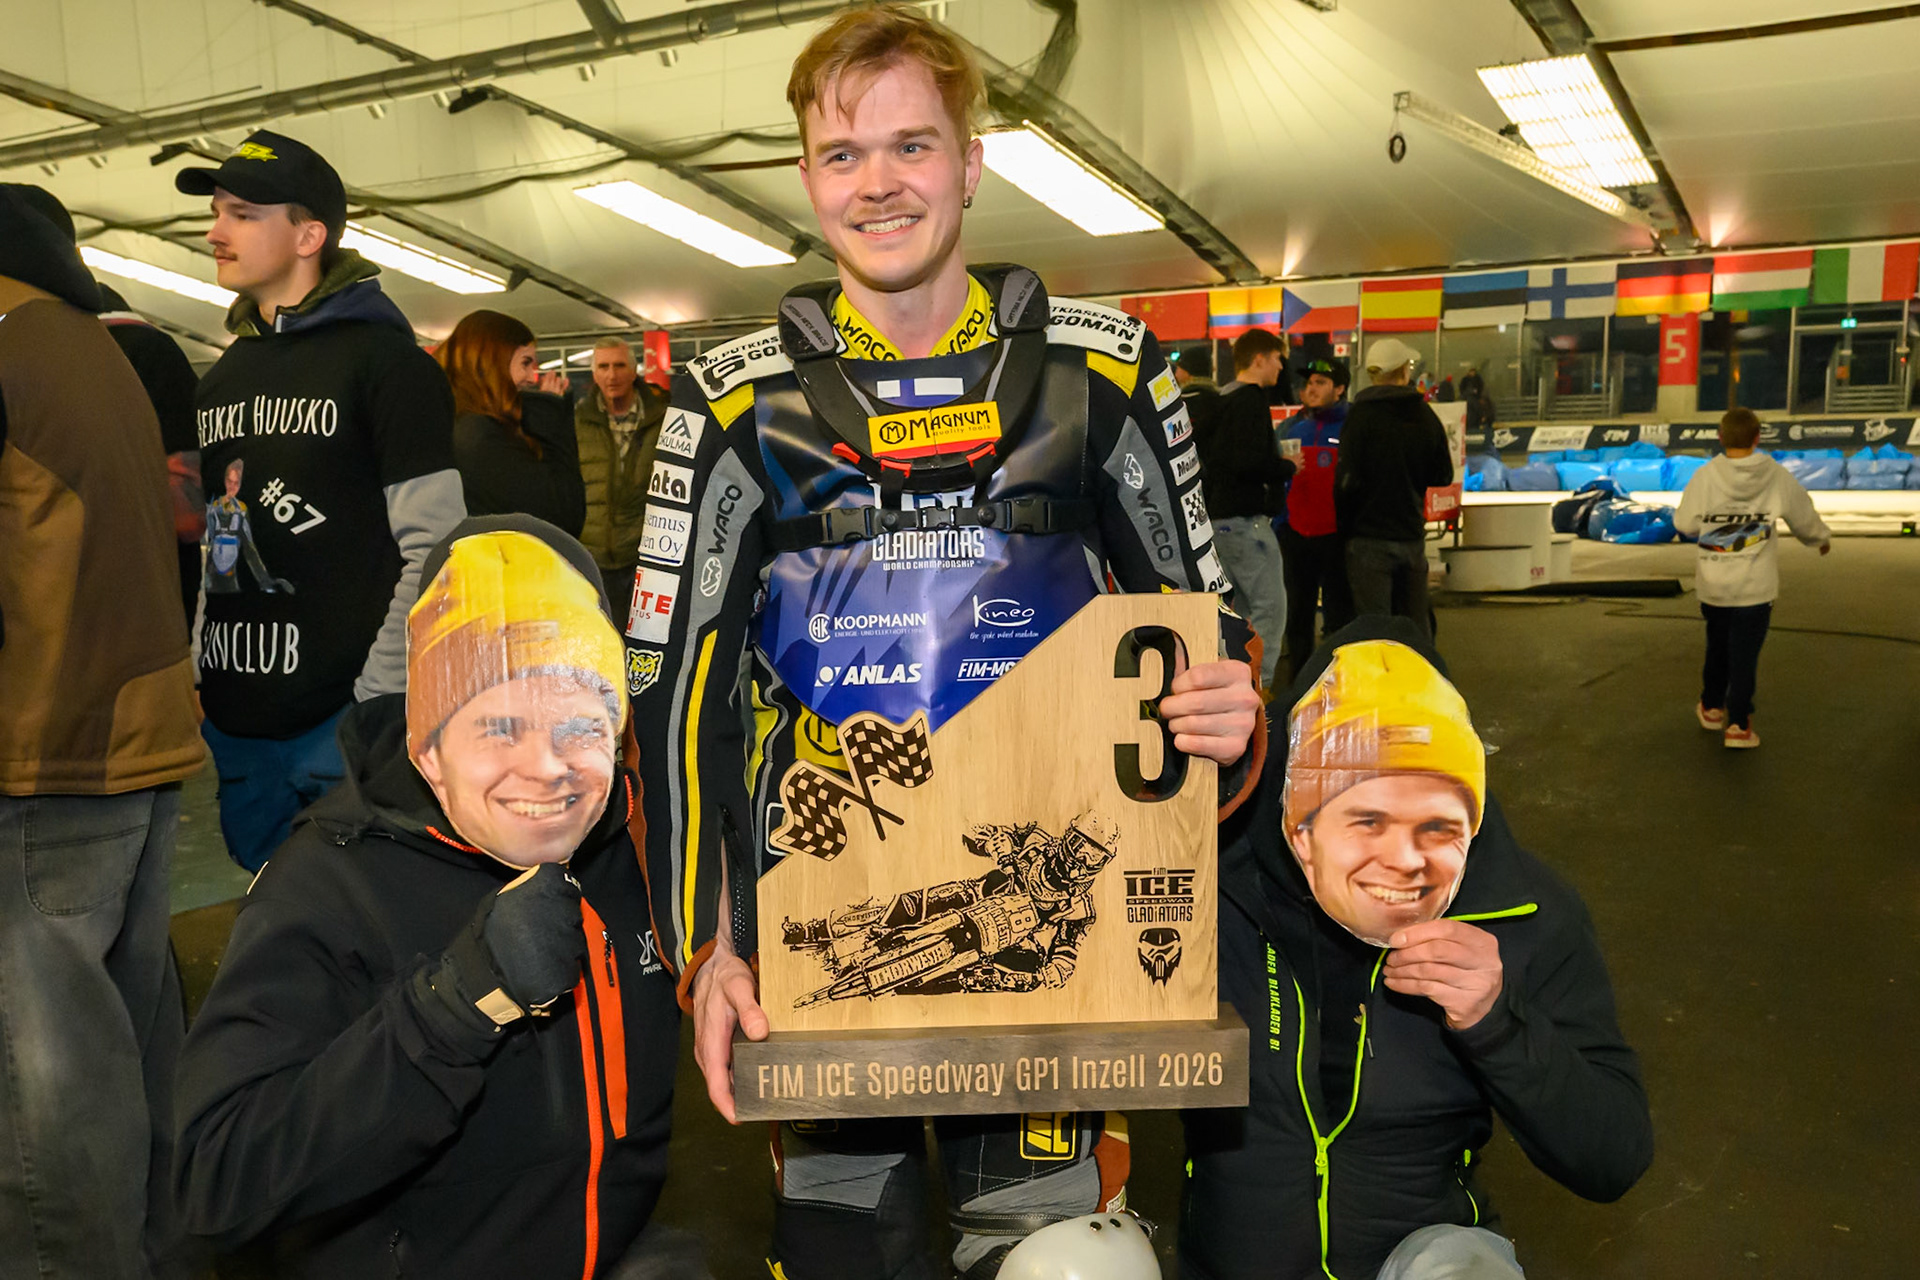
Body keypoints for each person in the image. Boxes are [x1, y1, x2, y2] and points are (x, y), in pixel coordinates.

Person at [626, 8, 1264, 1277]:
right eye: (843, 154)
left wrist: (1233, 713)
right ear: (807, 176)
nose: (878, 184)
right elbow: (671, 692)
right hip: (816, 920)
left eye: (912, 146)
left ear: (972, 165)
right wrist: (707, 945)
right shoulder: (729, 402)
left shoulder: (1108, 374)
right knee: (844, 1242)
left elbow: (1212, 632)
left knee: (1061, 1256)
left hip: (1060, 930)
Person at [173, 516, 680, 1278]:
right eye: (499, 727)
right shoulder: (329, 883)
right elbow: (217, 1177)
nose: (546, 767)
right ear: (427, 746)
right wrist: (451, 1008)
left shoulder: (640, 847)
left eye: (579, 723)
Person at [1183, 619, 1654, 1280]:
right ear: (1300, 823)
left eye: (1436, 826)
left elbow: (1613, 1157)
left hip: (1422, 1259)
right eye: (1367, 819)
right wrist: (1166, 737)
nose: (1404, 859)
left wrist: (1498, 1021)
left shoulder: (1520, 912)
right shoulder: (1210, 882)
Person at [0, 183, 205, 1279]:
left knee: (46, 1101)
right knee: (132, 1045)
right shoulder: (92, 339)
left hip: (39, 754)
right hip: (129, 738)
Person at [176, 130, 465, 872]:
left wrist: (376, 696)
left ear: (310, 234)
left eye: (242, 213)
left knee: (358, 938)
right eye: (216, 211)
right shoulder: (220, 380)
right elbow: (219, 539)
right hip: (237, 725)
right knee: (272, 928)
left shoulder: (388, 367)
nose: (215, 232)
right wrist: (200, 665)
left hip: (341, 725)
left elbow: (436, 550)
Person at [1672, 407, 1831, 749]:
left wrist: (1714, 525)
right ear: (1758, 438)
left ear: (1720, 437)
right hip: (1755, 589)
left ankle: (1712, 707)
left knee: (1717, 646)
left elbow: (1684, 524)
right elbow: (1802, 514)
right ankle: (1739, 726)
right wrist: (1819, 539)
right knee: (1744, 656)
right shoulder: (1775, 475)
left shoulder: (1704, 476)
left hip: (1714, 586)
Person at [1336, 338, 1453, 644]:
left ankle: (1381, 689)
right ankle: (1424, 685)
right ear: (1404, 371)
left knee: (1375, 632)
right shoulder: (1424, 416)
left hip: (1367, 540)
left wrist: (1345, 531)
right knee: (1415, 628)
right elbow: (1443, 474)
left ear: (1373, 374)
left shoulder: (1359, 417)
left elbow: (1345, 482)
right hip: (1410, 537)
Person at [1204, 328, 1298, 690]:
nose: (1280, 366)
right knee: (1271, 611)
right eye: (1277, 358)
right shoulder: (1252, 400)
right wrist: (1287, 466)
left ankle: (1232, 692)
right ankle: (1259, 694)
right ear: (1259, 359)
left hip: (1216, 524)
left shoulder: (1219, 400)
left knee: (1239, 615)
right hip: (1247, 523)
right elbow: (1246, 461)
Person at [438, 309, 586, 535]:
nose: (530, 377)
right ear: (492, 362)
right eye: (525, 363)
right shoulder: (480, 436)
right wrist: (549, 416)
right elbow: (563, 515)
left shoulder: (457, 423)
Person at [575, 335, 671, 610]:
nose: (611, 375)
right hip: (591, 557)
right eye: (603, 367)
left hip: (644, 556)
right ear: (594, 374)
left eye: (619, 365)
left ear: (634, 371)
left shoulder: (663, 419)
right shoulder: (578, 420)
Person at [1274, 357, 1354, 682]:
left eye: (1320, 382)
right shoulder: (1290, 428)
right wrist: (1280, 524)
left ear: (1339, 389)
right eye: (1309, 383)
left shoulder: (1352, 427)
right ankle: (1299, 687)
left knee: (1338, 617)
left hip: (1337, 537)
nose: (1311, 388)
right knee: (1298, 617)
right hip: (1295, 535)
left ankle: (1340, 685)